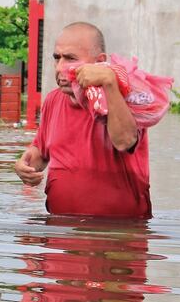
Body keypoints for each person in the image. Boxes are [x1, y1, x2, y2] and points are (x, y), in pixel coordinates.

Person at [14, 22, 152, 218]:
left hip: (120, 231)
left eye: (70, 59)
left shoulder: (126, 98)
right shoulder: (53, 100)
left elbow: (125, 140)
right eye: (57, 58)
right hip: (60, 228)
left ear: (100, 62)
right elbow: (41, 152)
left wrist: (110, 82)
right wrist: (25, 165)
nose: (60, 68)